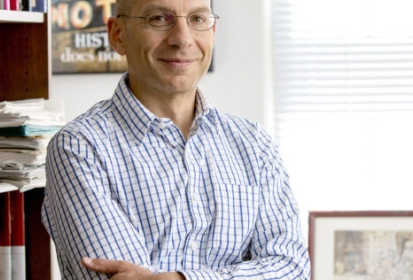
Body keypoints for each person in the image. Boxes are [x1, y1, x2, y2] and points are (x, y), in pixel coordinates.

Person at [41, 0, 311, 279]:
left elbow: (291, 268)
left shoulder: (253, 144)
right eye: (159, 19)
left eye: (196, 19)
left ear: (213, 31)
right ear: (118, 35)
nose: (182, 38)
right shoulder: (79, 148)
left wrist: (176, 278)